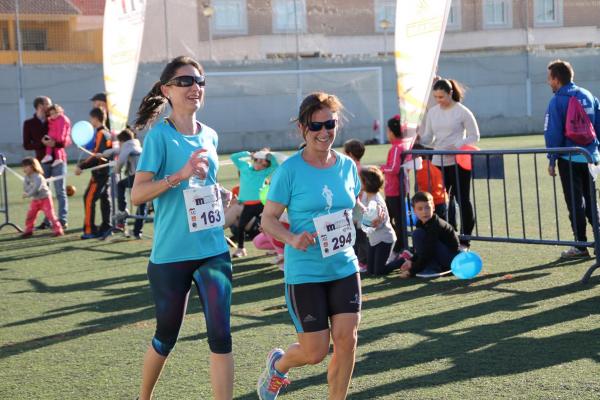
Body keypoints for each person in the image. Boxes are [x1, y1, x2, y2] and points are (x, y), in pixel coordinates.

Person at [130, 55, 233, 400]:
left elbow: (205, 188)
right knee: (166, 336)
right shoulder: (159, 137)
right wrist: (179, 176)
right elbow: (138, 194)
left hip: (213, 251)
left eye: (199, 81)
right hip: (172, 255)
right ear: (167, 90)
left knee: (221, 335)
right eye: (185, 81)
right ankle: (144, 396)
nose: (195, 88)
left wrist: (219, 196)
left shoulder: (212, 136)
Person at [257, 92, 362, 400]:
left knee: (347, 340)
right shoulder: (289, 171)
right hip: (305, 272)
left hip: (343, 265)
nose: (324, 132)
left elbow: (353, 207)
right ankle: (279, 363)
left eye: (329, 124)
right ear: (303, 128)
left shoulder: (346, 166)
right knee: (315, 352)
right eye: (316, 126)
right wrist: (291, 238)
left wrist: (371, 215)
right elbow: (268, 219)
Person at [544, 59, 600, 258]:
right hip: (590, 158)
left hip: (569, 159)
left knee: (575, 202)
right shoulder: (588, 95)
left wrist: (552, 159)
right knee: (592, 200)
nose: (548, 82)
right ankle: (599, 242)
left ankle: (580, 245)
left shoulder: (558, 100)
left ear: (557, 79)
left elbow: (553, 134)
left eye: (549, 78)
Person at [419, 78, 480, 248]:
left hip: (458, 163)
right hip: (438, 162)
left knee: (462, 200)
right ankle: (443, 236)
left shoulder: (462, 111)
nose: (439, 100)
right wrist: (417, 138)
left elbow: (475, 136)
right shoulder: (432, 112)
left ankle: (465, 239)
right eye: (436, 97)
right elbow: (429, 137)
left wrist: (458, 145)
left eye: (442, 96)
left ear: (450, 93)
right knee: (438, 202)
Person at [22, 96, 68, 229]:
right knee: (43, 192)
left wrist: (55, 143)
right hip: (42, 162)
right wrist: (42, 144)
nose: (50, 106)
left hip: (59, 160)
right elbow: (26, 145)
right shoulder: (29, 123)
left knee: (60, 191)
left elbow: (64, 140)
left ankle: (62, 220)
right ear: (40, 106)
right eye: (48, 104)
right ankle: (47, 221)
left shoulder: (55, 119)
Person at [394, 191, 459, 279]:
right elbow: (423, 250)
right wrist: (411, 261)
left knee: (418, 234)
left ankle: (432, 269)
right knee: (419, 234)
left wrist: (412, 271)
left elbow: (428, 251)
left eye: (427, 207)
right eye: (420, 209)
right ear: (414, 211)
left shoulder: (436, 224)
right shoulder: (420, 223)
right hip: (440, 255)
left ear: (433, 207)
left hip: (451, 259)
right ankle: (431, 267)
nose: (424, 212)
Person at [230, 148, 279, 258]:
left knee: (269, 226)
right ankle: (241, 249)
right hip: (247, 206)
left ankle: (275, 247)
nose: (260, 165)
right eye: (259, 161)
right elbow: (233, 157)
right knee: (241, 226)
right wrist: (247, 154)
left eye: (264, 164)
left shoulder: (264, 172)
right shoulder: (244, 167)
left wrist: (270, 157)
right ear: (255, 159)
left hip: (260, 205)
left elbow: (276, 166)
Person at [74, 107, 112, 239]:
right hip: (106, 172)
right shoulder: (107, 133)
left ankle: (90, 230)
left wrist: (82, 166)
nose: (90, 121)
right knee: (105, 200)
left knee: (89, 199)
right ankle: (107, 227)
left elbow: (98, 156)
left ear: (95, 118)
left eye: (91, 119)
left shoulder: (101, 133)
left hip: (100, 173)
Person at [380, 115, 413, 262]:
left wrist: (380, 168)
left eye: (388, 130)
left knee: (393, 221)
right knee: (396, 220)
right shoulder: (405, 145)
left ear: (392, 131)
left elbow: (393, 169)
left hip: (394, 190)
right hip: (400, 188)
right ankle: (400, 247)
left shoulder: (396, 148)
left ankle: (398, 248)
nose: (387, 133)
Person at [358, 166, 396, 275]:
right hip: (374, 240)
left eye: (359, 180)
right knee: (370, 272)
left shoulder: (376, 201)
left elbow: (377, 225)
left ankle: (402, 259)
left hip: (384, 239)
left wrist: (367, 224)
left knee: (379, 271)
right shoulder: (366, 195)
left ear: (366, 183)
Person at [20, 157, 64, 238]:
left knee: (50, 215)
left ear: (33, 166)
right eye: (23, 166)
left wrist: (28, 194)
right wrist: (27, 192)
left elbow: (36, 188)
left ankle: (58, 230)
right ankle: (28, 230)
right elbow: (25, 188)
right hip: (35, 200)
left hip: (45, 199)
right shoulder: (26, 177)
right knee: (30, 215)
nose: (24, 168)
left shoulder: (38, 177)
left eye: (26, 166)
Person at [115, 128, 145, 239]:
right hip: (147, 177)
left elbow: (121, 159)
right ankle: (137, 231)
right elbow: (117, 151)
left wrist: (117, 170)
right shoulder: (137, 145)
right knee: (142, 203)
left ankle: (123, 209)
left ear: (122, 141)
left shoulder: (127, 146)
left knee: (120, 185)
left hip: (137, 177)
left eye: (119, 142)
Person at [343, 139, 368, 271]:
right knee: (358, 234)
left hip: (357, 207)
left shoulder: (353, 169)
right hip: (359, 206)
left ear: (350, 154)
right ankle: (360, 259)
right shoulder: (361, 168)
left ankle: (363, 261)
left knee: (359, 235)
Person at [413, 143, 448, 218]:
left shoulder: (422, 168)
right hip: (442, 199)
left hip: (435, 202)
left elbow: (425, 190)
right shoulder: (431, 166)